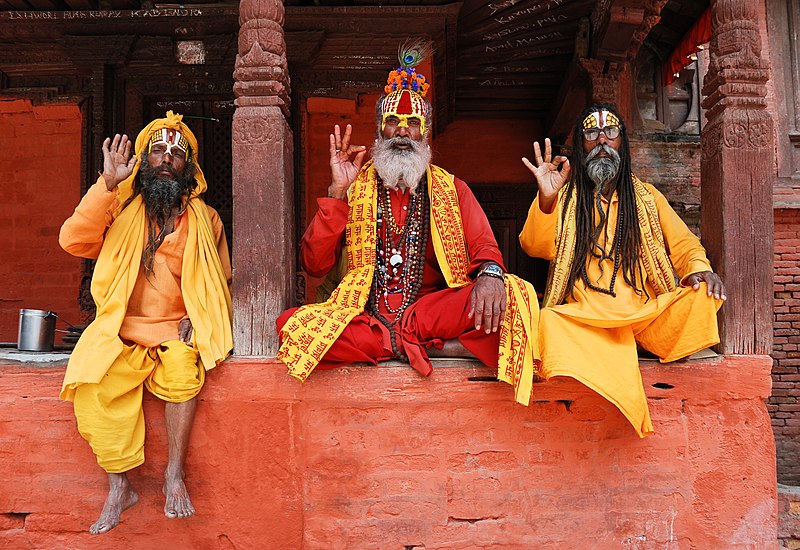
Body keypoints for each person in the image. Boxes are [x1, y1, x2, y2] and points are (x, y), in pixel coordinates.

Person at [276, 42, 539, 404]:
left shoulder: (451, 188)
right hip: (366, 317)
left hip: (430, 313)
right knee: (290, 326)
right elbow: (314, 264)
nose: (402, 131)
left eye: (412, 123)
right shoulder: (354, 189)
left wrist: (491, 275)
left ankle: (413, 341)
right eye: (392, 123)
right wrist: (337, 192)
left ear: (425, 133)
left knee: (512, 296)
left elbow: (485, 247)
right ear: (380, 133)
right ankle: (428, 347)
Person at [59, 111, 233, 534]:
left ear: (189, 166)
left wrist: (200, 313)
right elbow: (74, 240)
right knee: (92, 385)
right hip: (122, 329)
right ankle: (120, 486)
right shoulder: (117, 207)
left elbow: (220, 279)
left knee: (181, 375)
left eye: (177, 153)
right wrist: (106, 185)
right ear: (143, 160)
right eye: (158, 151)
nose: (167, 159)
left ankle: (174, 474)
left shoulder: (206, 219)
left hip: (175, 329)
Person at [519, 103, 725, 437]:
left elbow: (684, 244)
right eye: (591, 134)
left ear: (622, 142)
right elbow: (533, 246)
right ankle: (629, 347)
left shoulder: (646, 197)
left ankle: (631, 342)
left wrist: (699, 269)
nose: (601, 141)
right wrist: (546, 200)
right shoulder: (564, 195)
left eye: (610, 133)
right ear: (581, 146)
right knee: (546, 322)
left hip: (644, 313)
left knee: (702, 296)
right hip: (585, 317)